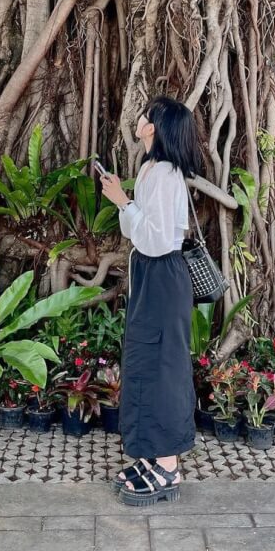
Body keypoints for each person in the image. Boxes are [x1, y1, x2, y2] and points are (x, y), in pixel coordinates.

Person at [99, 96, 205, 506]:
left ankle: (168, 467)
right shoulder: (149, 169)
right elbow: (140, 232)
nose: (140, 118)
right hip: (149, 273)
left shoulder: (164, 173)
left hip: (162, 274)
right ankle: (150, 454)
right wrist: (124, 200)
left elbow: (160, 240)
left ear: (154, 128)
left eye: (147, 114)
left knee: (162, 365)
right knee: (143, 359)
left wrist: (122, 202)